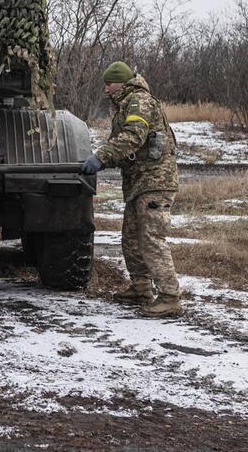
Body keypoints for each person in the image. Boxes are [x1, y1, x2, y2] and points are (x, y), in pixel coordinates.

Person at [80, 61, 182, 318]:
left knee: (151, 239)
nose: (106, 90)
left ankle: (170, 297)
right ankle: (141, 287)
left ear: (122, 83)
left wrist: (101, 157)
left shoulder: (139, 101)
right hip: (140, 182)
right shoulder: (126, 103)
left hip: (155, 182)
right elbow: (126, 146)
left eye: (109, 84)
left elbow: (133, 137)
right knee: (131, 238)